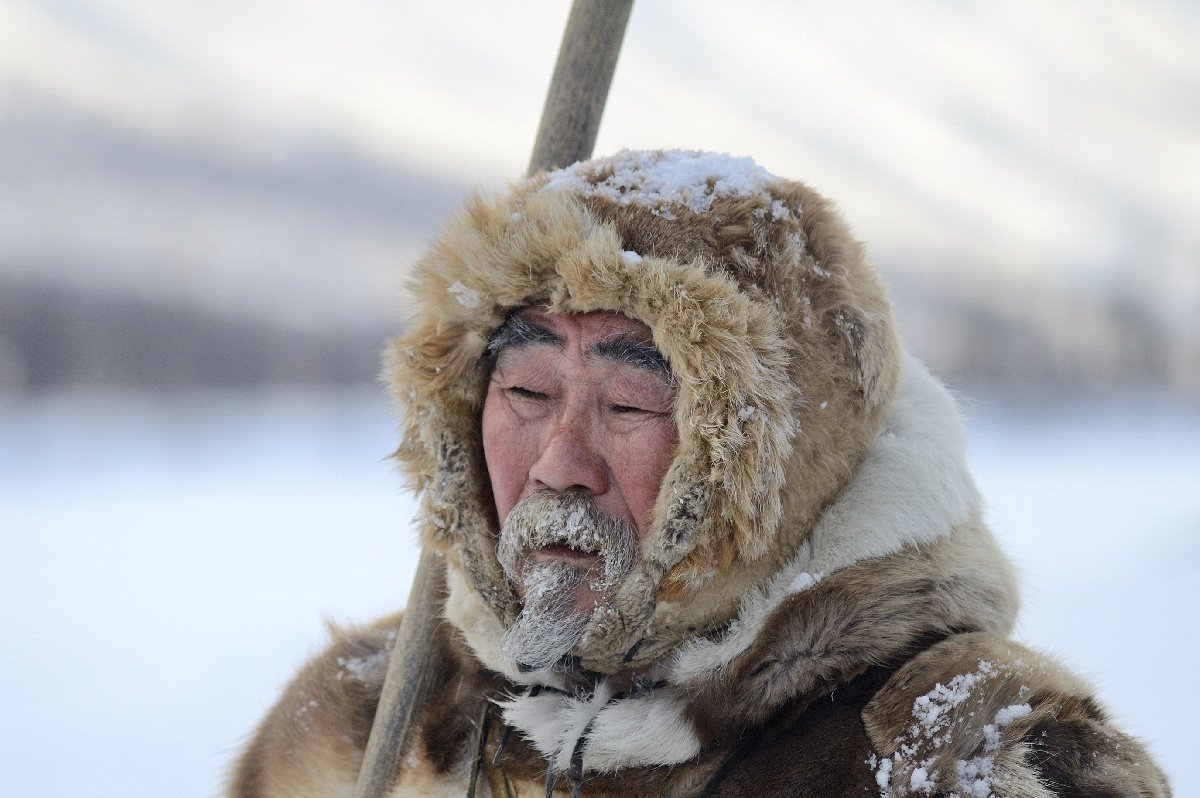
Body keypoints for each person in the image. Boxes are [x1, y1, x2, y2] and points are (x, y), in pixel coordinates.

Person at [228, 150, 1170, 797]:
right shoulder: (367, 722)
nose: (561, 466)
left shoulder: (962, 757)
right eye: (524, 392)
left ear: (769, 463)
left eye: (631, 407)